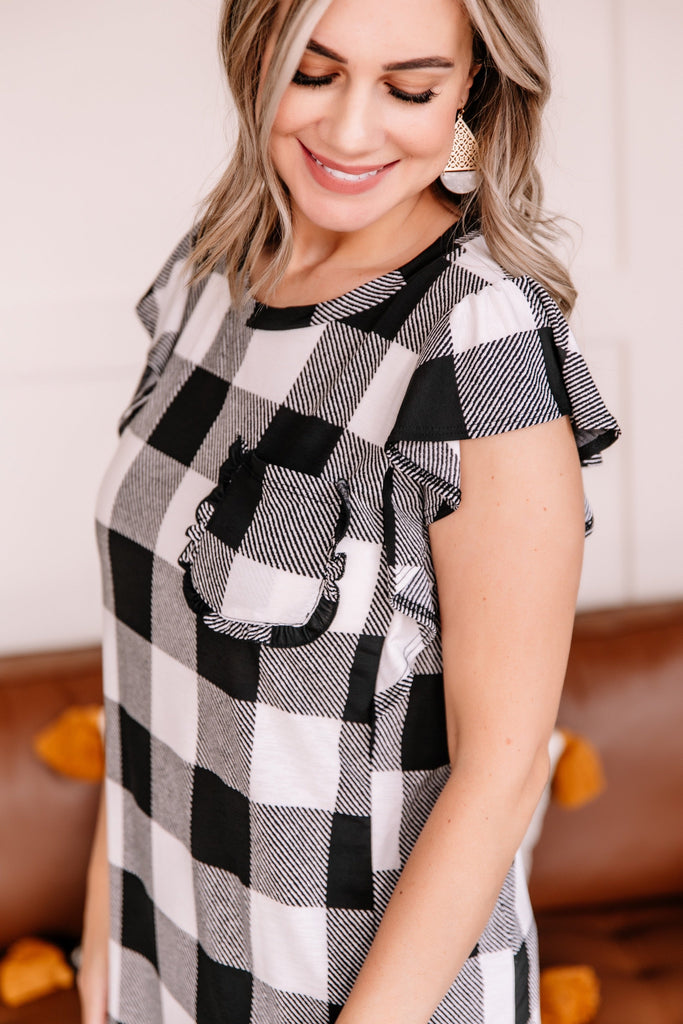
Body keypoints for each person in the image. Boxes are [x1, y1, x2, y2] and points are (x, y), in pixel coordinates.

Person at [79, 0, 620, 1021]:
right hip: (167, 951)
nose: (351, 130)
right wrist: (105, 916)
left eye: (408, 88)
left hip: (354, 994)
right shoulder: (211, 274)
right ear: (256, 56)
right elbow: (157, 645)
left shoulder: (476, 336)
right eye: (313, 73)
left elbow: (499, 775)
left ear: (470, 88)